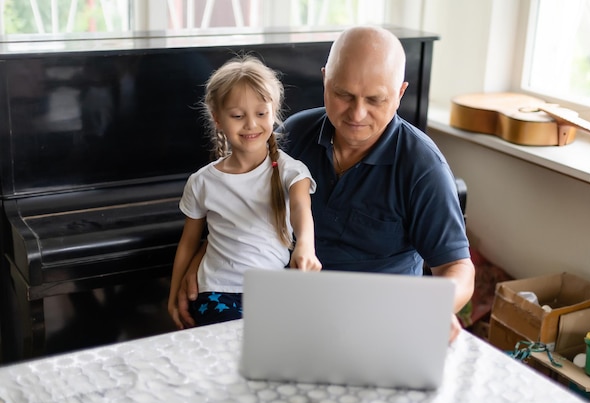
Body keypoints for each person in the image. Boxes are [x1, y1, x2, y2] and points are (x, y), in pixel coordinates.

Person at [174, 26, 474, 342]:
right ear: (325, 81)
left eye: (375, 99)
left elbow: (458, 268)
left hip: (374, 328)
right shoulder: (294, 134)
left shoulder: (423, 167)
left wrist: (430, 306)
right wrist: (202, 257)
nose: (357, 114)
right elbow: (246, 205)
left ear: (399, 94)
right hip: (286, 316)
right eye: (344, 95)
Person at [168, 55, 322, 329]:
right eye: (238, 116)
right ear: (217, 118)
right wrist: (173, 293)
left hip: (270, 291)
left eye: (261, 113)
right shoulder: (202, 181)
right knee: (233, 350)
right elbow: (188, 243)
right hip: (216, 290)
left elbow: (301, 210)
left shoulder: (291, 171)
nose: (251, 124)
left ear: (273, 113)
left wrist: (306, 245)